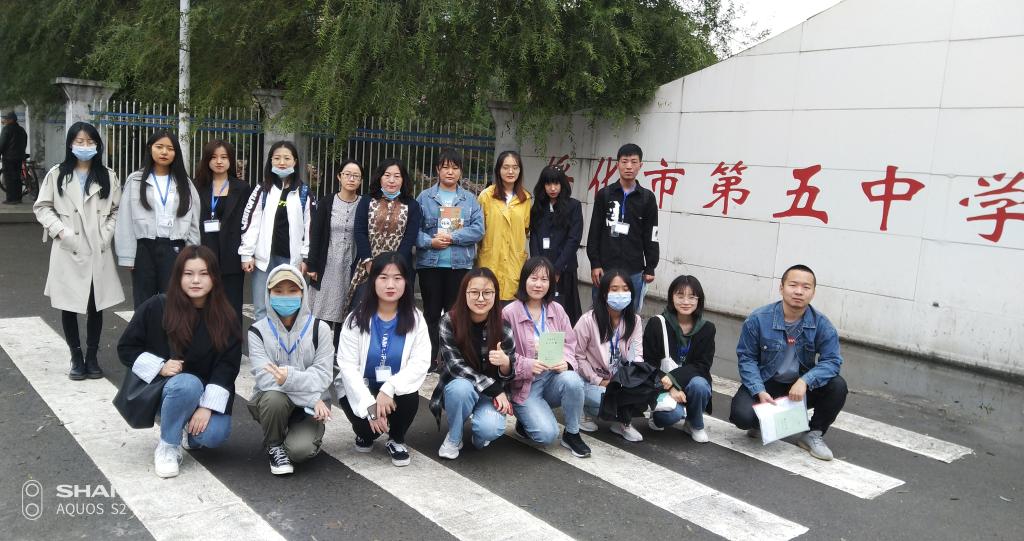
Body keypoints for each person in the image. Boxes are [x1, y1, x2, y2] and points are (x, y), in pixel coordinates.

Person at [118, 246, 242, 478]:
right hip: (168, 390)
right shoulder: (157, 306)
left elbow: (228, 366)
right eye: (188, 273)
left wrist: (206, 407)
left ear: (214, 277)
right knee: (187, 384)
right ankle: (167, 446)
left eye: (203, 274)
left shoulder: (226, 316)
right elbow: (126, 348)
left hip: (206, 393)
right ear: (178, 276)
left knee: (213, 435)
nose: (196, 280)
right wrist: (160, 367)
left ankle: (184, 426)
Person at [729, 264, 848, 461]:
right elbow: (747, 358)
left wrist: (805, 381)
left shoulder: (822, 324)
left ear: (813, 292)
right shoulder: (758, 319)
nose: (799, 291)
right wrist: (759, 390)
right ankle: (761, 423)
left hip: (799, 388)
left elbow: (832, 361)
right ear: (781, 288)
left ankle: (813, 434)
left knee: (838, 385)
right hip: (767, 383)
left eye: (806, 287)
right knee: (742, 416)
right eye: (793, 285)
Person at [33, 122, 124, 380]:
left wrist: (106, 235)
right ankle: (75, 356)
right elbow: (42, 207)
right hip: (68, 248)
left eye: (90, 142)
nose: (85, 146)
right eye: (79, 141)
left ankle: (92, 357)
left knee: (96, 305)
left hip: (97, 248)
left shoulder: (108, 176)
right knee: (69, 304)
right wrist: (61, 232)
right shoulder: (57, 174)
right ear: (70, 144)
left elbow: (117, 210)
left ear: (98, 145)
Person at [335, 252, 431, 467]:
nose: (390, 285)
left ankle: (396, 439)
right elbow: (347, 367)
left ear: (406, 282)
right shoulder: (355, 319)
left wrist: (389, 387)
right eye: (383, 278)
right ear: (373, 281)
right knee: (367, 432)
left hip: (393, 391)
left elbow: (420, 362)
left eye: (397, 278)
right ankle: (364, 433)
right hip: (363, 387)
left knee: (409, 394)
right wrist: (370, 406)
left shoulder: (416, 319)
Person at [247, 264, 334, 475]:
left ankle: (295, 434)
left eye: (292, 290)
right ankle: (274, 444)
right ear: (269, 294)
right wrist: (311, 398)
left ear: (303, 293)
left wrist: (288, 378)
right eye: (278, 291)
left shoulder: (319, 328)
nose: (285, 297)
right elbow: (265, 378)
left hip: (310, 409)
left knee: (299, 451)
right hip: (286, 401)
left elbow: (323, 375)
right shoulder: (257, 331)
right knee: (273, 398)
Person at [502, 257, 591, 457]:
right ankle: (525, 420)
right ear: (524, 280)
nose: (538, 284)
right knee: (546, 436)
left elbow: (570, 343)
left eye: (544, 279)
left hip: (552, 377)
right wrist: (528, 365)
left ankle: (572, 433)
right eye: (534, 278)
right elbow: (504, 355)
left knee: (573, 380)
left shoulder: (556, 310)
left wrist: (566, 362)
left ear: (551, 283)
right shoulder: (509, 313)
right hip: (525, 384)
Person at [435, 268, 516, 459]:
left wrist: (505, 363)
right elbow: (455, 366)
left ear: (495, 295)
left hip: (489, 395)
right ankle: (454, 437)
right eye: (474, 292)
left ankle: (479, 435)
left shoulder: (503, 327)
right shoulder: (449, 321)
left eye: (487, 293)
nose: (481, 298)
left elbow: (509, 375)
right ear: (464, 294)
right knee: (461, 389)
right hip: (461, 387)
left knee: (489, 429)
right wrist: (495, 389)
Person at [115, 131, 201, 308]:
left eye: (170, 148)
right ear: (150, 149)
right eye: (159, 147)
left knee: (173, 302)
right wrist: (127, 255)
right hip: (144, 248)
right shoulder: (135, 180)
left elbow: (194, 220)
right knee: (143, 302)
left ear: (176, 153)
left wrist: (193, 253)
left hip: (175, 249)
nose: (164, 152)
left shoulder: (185, 183)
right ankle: (145, 328)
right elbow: (125, 219)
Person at [415, 148, 484, 361]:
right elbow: (413, 231)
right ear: (438, 169)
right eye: (445, 167)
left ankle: (450, 358)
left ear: (461, 171)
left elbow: (478, 230)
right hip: (430, 266)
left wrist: (452, 237)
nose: (450, 172)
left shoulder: (469, 199)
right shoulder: (424, 197)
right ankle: (429, 358)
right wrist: (430, 242)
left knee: (455, 315)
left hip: (459, 267)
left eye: (454, 168)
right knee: (431, 313)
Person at [239, 141, 312, 320]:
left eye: (287, 158)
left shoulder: (303, 192)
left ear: (295, 161)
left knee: (289, 310)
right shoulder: (262, 190)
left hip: (292, 259)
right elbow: (250, 222)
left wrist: (306, 257)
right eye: (277, 158)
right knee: (261, 309)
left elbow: (310, 226)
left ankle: (287, 340)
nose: (282, 162)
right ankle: (261, 339)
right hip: (264, 259)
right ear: (270, 161)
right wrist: (246, 254)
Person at [573, 269, 646, 442]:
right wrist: (598, 381)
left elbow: (637, 354)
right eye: (614, 289)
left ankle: (622, 422)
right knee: (604, 399)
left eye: (625, 289)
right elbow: (577, 356)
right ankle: (582, 411)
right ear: (604, 293)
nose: (620, 293)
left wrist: (632, 380)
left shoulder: (634, 320)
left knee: (641, 393)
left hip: (617, 380)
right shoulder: (588, 320)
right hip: (590, 379)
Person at [586, 143, 659, 312]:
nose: (629, 166)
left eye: (634, 162)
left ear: (640, 165)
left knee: (630, 315)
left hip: (634, 269)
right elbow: (594, 231)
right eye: (624, 161)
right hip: (604, 268)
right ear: (617, 164)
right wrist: (595, 263)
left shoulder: (647, 198)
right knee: (600, 313)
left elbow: (652, 234)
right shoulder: (605, 194)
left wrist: (650, 266)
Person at [642, 275, 715, 443]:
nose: (686, 301)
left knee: (700, 385)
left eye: (692, 297)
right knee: (669, 417)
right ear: (671, 297)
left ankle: (694, 424)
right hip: (662, 385)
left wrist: (674, 378)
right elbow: (648, 364)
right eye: (680, 296)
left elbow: (702, 365)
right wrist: (671, 388)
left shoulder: (707, 328)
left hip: (688, 382)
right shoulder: (657, 324)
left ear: (699, 300)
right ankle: (656, 416)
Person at [348, 158, 421, 310]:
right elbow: (360, 231)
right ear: (380, 178)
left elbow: (409, 238)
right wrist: (368, 261)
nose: (391, 180)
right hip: (368, 266)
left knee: (396, 311)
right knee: (361, 309)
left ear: (403, 179)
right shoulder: (367, 200)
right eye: (387, 175)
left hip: (399, 267)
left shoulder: (412, 205)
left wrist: (394, 265)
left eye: (397, 176)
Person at [306, 160, 362, 346]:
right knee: (323, 310)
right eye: (347, 174)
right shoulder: (327, 202)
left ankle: (340, 350)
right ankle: (317, 348)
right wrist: (312, 265)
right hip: (328, 263)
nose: (351, 179)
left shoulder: (364, 204)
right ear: (339, 177)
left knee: (347, 310)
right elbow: (315, 234)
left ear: (360, 180)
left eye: (356, 176)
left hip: (351, 264)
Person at [194, 140, 249, 321]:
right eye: (214, 157)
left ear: (230, 160)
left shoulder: (242, 188)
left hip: (232, 255)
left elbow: (248, 223)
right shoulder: (197, 186)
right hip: (204, 253)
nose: (219, 161)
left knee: (232, 307)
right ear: (207, 160)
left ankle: (232, 340)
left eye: (224, 157)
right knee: (204, 306)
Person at [529, 165, 584, 324]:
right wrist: (538, 265)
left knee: (565, 313)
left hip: (564, 269)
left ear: (563, 184)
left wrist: (557, 269)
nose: (552, 188)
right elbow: (534, 237)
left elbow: (574, 239)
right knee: (541, 311)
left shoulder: (574, 206)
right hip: (541, 270)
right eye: (548, 184)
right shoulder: (538, 207)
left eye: (556, 183)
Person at [477, 150, 531, 304]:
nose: (510, 171)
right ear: (498, 170)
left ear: (520, 170)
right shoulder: (486, 196)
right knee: (487, 301)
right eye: (506, 167)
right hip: (491, 259)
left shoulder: (525, 198)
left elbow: (525, 229)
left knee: (510, 307)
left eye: (515, 167)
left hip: (514, 262)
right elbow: (478, 229)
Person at [0, 110, 28, 204]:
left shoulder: (6, 129)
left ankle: (11, 199)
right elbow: (25, 142)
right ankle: (18, 198)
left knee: (9, 178)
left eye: (7, 119)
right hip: (19, 157)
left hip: (9, 158)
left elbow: (2, 144)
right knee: (17, 177)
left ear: (11, 120)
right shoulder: (21, 129)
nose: (6, 121)